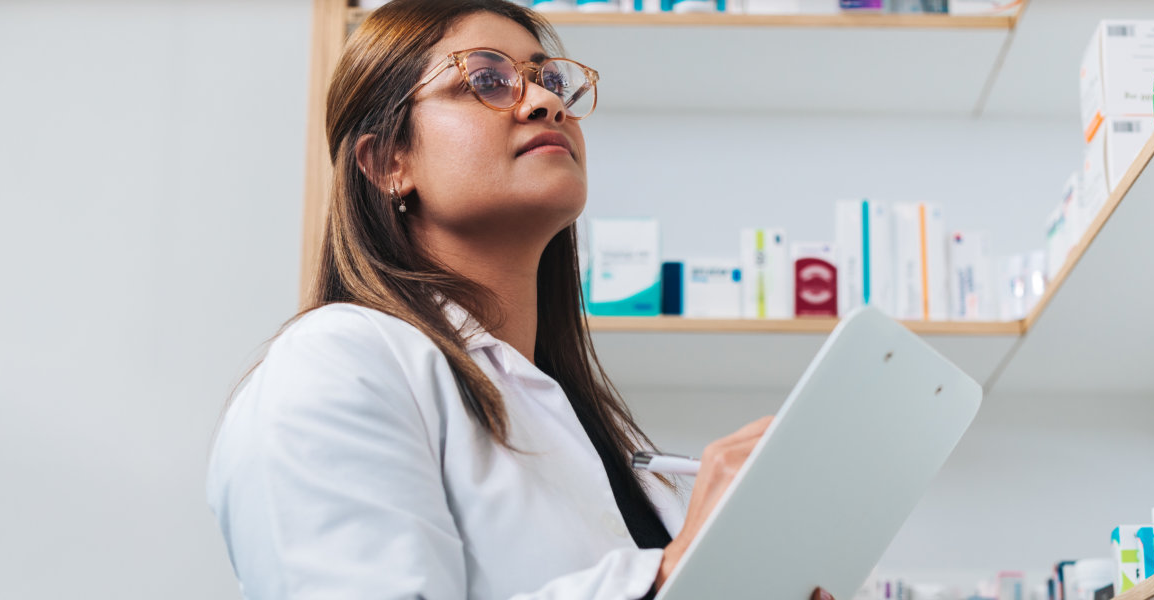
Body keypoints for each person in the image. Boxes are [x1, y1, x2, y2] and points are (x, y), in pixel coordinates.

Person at [204, 1, 834, 598]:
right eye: (486, 79)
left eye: (551, 82)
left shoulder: (601, 436)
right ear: (388, 160)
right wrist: (670, 576)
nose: (543, 102)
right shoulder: (336, 362)